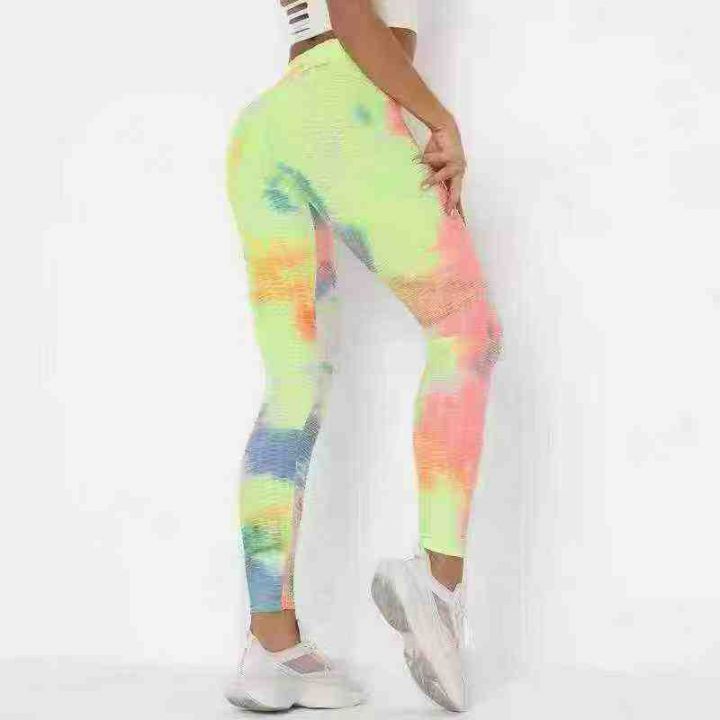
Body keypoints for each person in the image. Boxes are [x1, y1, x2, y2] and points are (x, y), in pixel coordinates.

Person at [223, 0, 502, 712]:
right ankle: (436, 587)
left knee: (294, 385)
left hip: (267, 130)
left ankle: (272, 647)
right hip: (339, 109)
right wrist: (440, 120)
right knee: (466, 330)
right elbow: (350, 13)